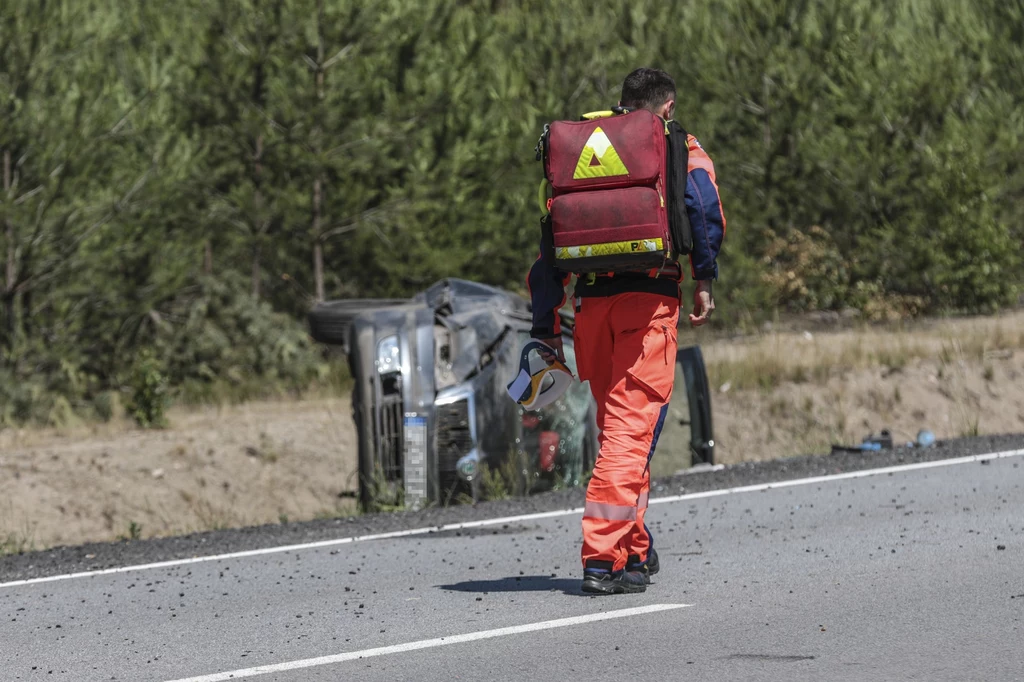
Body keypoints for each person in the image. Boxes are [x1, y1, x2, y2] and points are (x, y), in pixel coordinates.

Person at [527, 67, 726, 594]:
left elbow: (549, 240)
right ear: (667, 106)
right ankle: (600, 559)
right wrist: (705, 278)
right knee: (628, 436)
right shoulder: (672, 145)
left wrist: (544, 323)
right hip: (648, 304)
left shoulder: (582, 153)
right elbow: (703, 208)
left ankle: (636, 552)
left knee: (621, 432)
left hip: (592, 309)